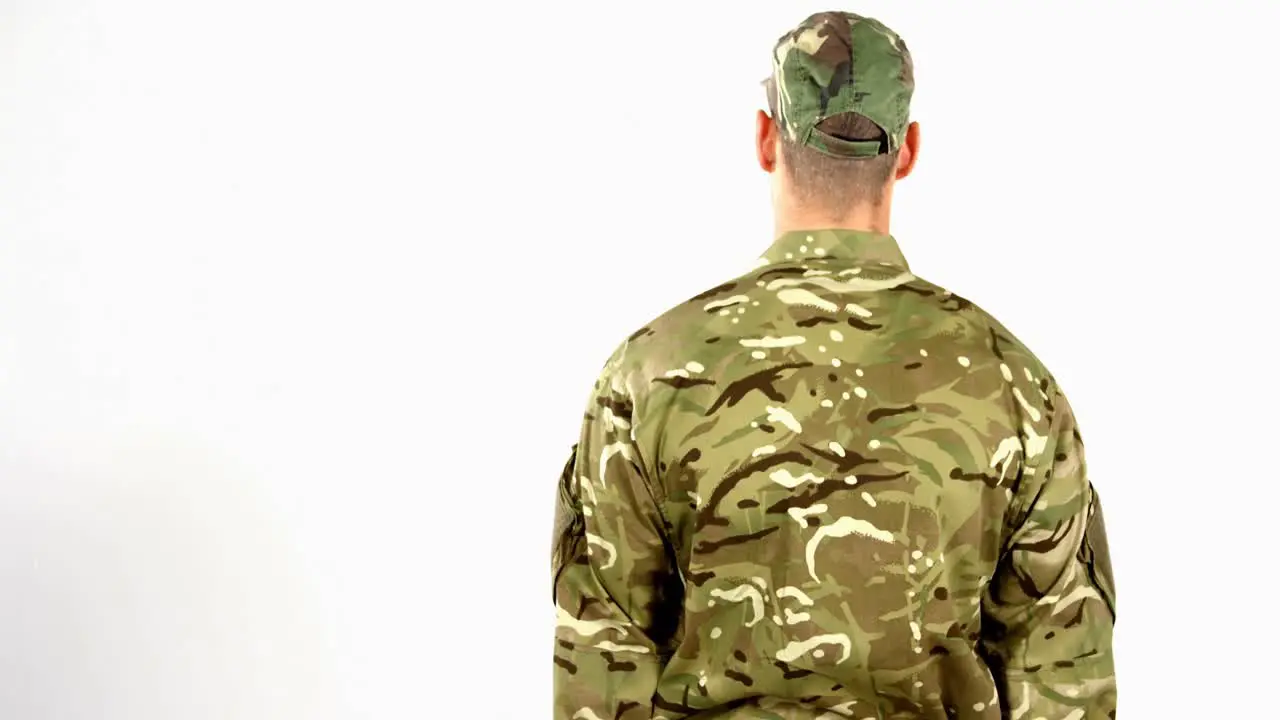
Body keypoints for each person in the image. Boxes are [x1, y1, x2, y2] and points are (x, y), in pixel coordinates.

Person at [550, 11, 1117, 719]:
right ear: (907, 151)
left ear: (765, 138)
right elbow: (1061, 670)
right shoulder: (1014, 385)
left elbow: (606, 663)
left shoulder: (647, 375)